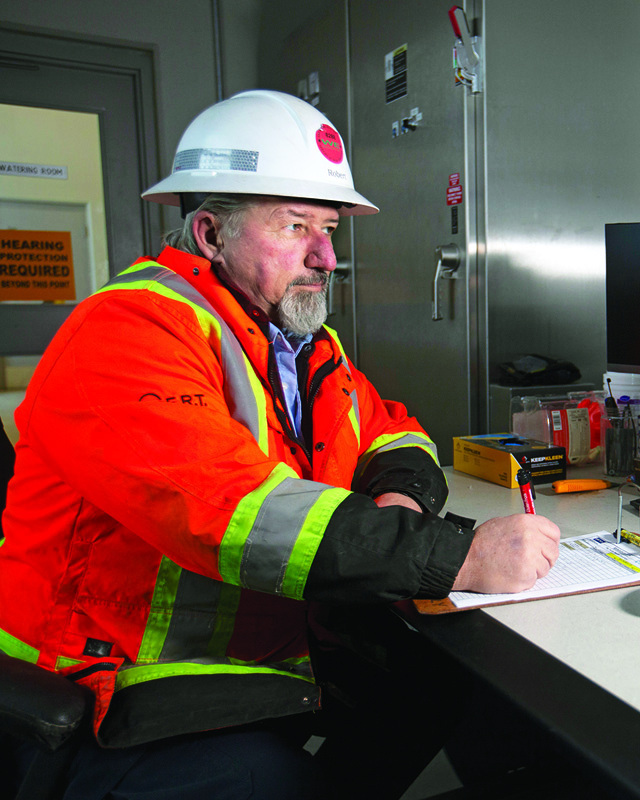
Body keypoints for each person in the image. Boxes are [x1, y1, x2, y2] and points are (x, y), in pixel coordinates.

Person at [0, 90, 560, 798]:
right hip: (111, 690)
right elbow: (233, 511)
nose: (326, 257)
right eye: (296, 226)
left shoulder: (298, 341)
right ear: (210, 234)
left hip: (263, 648)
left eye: (328, 229)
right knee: (276, 781)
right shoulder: (128, 333)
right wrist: (460, 556)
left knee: (443, 678)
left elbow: (390, 428)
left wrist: (401, 495)